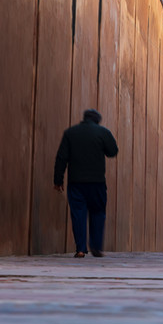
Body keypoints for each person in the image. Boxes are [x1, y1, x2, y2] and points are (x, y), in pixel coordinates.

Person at [54, 109, 118, 258]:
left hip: (76, 182)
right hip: (97, 182)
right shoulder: (103, 132)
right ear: (97, 120)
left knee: (78, 214)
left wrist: (58, 180)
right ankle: (96, 246)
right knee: (98, 212)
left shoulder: (70, 133)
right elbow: (113, 151)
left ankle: (81, 249)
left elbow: (61, 158)